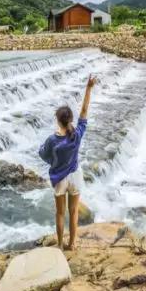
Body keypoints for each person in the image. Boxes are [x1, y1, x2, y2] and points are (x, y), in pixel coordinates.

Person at [38, 74, 97, 250]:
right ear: (70, 120)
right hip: (75, 176)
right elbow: (85, 111)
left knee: (60, 213)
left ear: (58, 120)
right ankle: (72, 244)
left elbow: (43, 154)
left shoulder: (52, 140)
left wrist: (53, 161)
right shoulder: (76, 135)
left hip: (59, 180)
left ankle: (60, 245)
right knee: (73, 213)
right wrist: (88, 88)